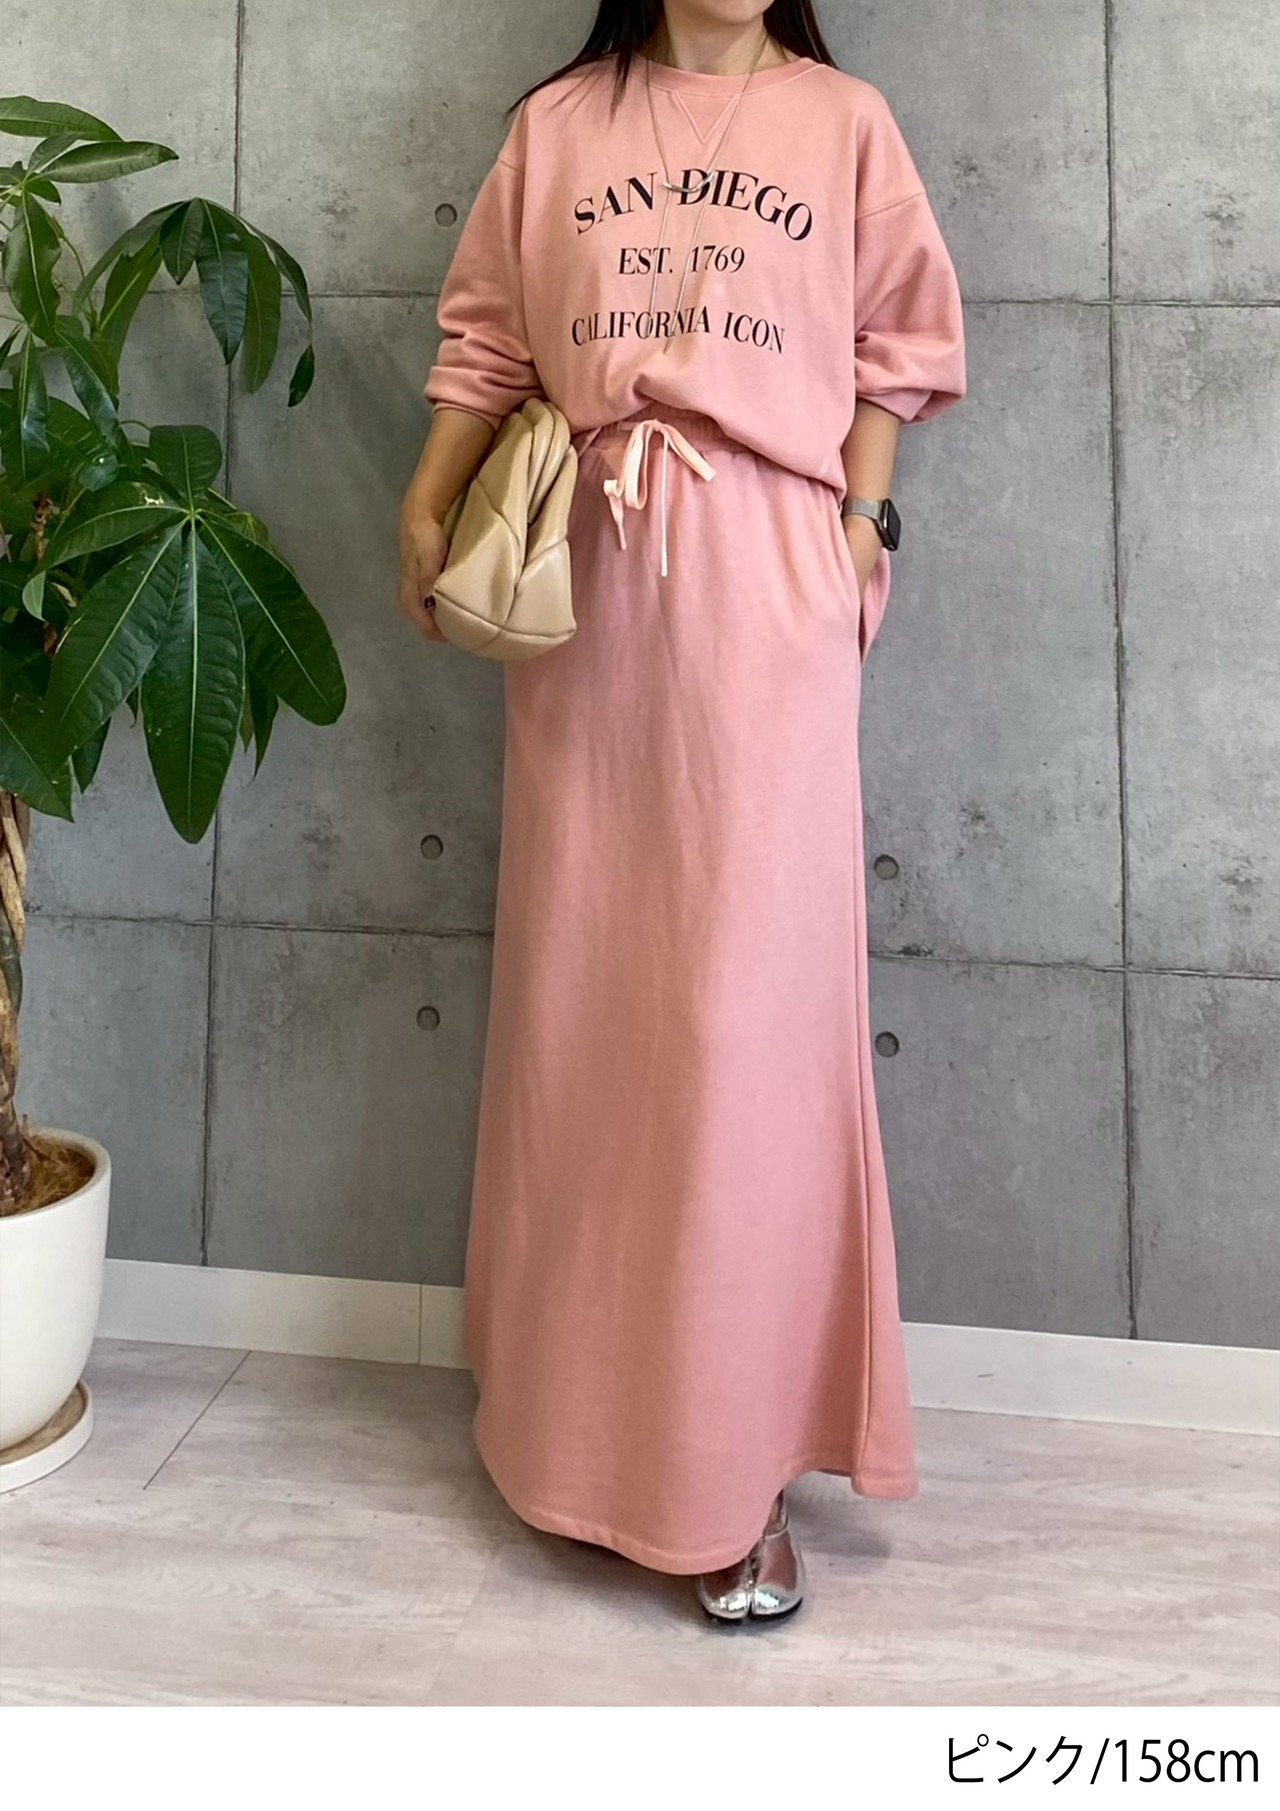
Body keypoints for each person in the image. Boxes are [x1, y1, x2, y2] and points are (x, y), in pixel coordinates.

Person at [398, 0, 966, 1624]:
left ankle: (726, 1475)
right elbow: (490, 343)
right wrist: (427, 504)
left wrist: (859, 534)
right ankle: (573, 1432)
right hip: (584, 587)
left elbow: (903, 345)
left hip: (766, 581)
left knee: (740, 1028)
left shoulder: (844, 123)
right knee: (584, 1010)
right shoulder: (560, 124)